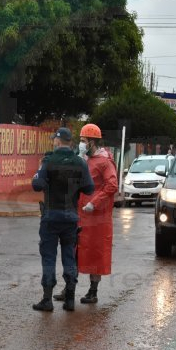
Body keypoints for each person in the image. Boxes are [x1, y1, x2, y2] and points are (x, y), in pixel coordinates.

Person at [31, 127, 94, 312]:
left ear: (58, 142)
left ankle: (47, 300)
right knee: (69, 257)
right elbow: (89, 188)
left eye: (54, 141)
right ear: (71, 143)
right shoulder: (80, 163)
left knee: (49, 257)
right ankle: (70, 300)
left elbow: (37, 185)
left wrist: (42, 171)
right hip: (71, 218)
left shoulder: (48, 161)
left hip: (51, 217)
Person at [59, 123, 118, 304]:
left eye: (84, 141)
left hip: (96, 217)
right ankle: (69, 288)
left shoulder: (104, 161)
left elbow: (112, 185)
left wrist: (94, 202)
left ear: (92, 142)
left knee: (95, 253)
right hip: (79, 214)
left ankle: (93, 291)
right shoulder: (83, 159)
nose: (81, 143)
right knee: (74, 251)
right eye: (81, 140)